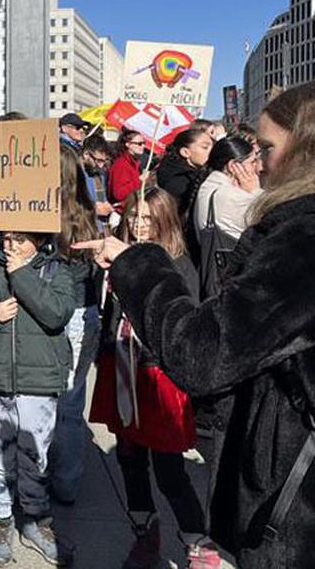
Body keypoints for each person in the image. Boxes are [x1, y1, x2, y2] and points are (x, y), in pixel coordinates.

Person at [73, 81, 315, 568]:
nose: (257, 162)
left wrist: (139, 266)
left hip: (294, 498)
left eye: (266, 148)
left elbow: (205, 353)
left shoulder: (302, 240)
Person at [88, 188, 219, 569]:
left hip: (158, 375)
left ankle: (197, 540)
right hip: (124, 369)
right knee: (129, 457)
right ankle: (145, 529)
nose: (138, 225)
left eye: (147, 219)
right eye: (133, 217)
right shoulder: (120, 258)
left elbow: (185, 322)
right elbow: (110, 317)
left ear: (163, 221)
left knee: (168, 467)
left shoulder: (177, 264)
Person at [0, 231, 75, 567]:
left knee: (34, 457)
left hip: (38, 383)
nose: (10, 246)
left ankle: (36, 521)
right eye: (5, 238)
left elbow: (56, 313)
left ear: (38, 240)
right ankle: (2, 520)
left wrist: (20, 275)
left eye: (20, 239)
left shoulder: (56, 272)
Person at [49, 147, 100, 507]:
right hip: (82, 315)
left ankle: (55, 480)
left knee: (52, 404)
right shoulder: (87, 217)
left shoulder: (44, 218)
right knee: (68, 406)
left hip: (68, 315)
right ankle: (65, 483)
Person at [193, 136, 263, 241]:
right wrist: (255, 191)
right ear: (233, 166)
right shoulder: (231, 196)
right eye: (252, 162)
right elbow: (272, 219)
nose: (257, 167)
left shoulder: (209, 184)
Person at [156, 127, 213, 218]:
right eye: (205, 147)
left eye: (212, 147)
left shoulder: (194, 172)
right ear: (185, 152)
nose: (211, 152)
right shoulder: (178, 181)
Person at [81, 134, 115, 226]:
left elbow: (101, 198)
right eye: (98, 160)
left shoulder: (100, 173)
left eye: (104, 161)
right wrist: (94, 209)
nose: (101, 166)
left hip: (99, 227)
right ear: (86, 154)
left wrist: (107, 205)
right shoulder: (75, 173)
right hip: (82, 228)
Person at [108, 129, 147, 205]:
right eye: (139, 143)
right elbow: (118, 194)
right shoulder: (121, 164)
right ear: (128, 144)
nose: (143, 146)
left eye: (143, 143)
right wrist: (139, 180)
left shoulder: (134, 162)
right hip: (121, 211)